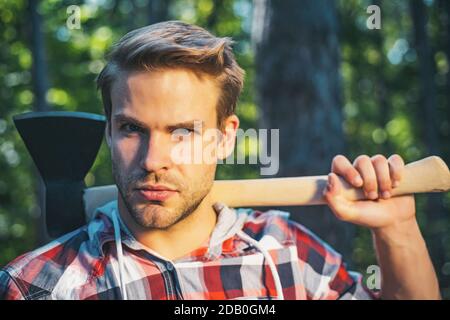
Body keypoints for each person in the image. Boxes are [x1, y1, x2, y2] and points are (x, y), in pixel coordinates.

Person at [0, 21, 440, 300]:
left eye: (183, 132)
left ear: (226, 139)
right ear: (110, 131)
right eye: (132, 129)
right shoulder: (35, 286)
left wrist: (396, 229)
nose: (154, 161)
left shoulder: (286, 253)